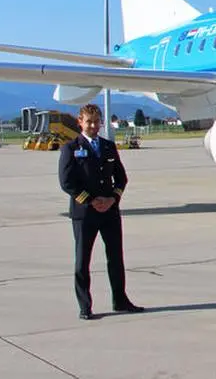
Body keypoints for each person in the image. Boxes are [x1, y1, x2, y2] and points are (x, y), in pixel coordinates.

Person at [57, 103, 144, 320]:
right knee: (82, 260)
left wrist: (112, 198)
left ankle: (120, 300)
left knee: (116, 257)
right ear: (80, 122)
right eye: (89, 122)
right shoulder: (71, 148)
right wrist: (91, 201)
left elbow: (121, 178)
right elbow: (66, 182)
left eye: (97, 122)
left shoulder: (108, 146)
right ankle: (85, 306)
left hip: (109, 211)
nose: (94, 126)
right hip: (85, 213)